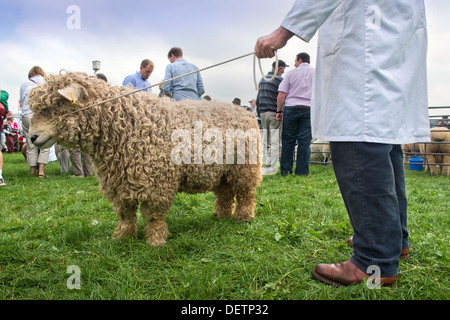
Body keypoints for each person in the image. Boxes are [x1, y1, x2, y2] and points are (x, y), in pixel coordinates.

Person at [255, 0, 429, 287]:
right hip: (386, 31)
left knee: (357, 137)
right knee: (383, 139)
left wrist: (283, 31)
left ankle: (375, 262)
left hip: (365, 40)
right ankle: (391, 240)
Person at [277, 53, 314, 176]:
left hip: (291, 108)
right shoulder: (316, 74)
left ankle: (286, 171)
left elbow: (282, 94)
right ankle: (302, 173)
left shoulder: (291, 73)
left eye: (295, 61)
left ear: (300, 60)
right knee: (304, 142)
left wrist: (279, 111)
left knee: (288, 141)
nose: (294, 64)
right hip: (308, 109)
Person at [256, 60, 288, 174]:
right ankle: (272, 167)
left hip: (263, 113)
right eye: (284, 68)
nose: (284, 70)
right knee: (275, 141)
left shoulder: (262, 79)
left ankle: (267, 164)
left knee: (267, 140)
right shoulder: (279, 79)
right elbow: (283, 95)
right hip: (274, 113)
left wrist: (259, 112)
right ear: (280, 68)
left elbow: (258, 98)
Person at [20, 66, 51, 178]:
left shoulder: (24, 85)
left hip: (26, 115)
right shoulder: (46, 83)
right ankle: (41, 171)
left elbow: (22, 101)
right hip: (40, 116)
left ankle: (32, 170)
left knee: (30, 144)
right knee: (45, 144)